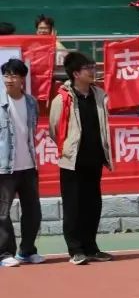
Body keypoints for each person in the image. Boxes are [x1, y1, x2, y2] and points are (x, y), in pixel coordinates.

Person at [49, 53, 114, 266]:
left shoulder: (99, 95)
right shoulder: (62, 99)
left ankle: (91, 247)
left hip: (94, 160)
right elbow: (54, 130)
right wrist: (69, 148)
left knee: (93, 205)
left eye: (93, 67)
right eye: (88, 68)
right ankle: (75, 249)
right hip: (72, 162)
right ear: (76, 73)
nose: (93, 71)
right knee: (73, 206)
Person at [0, 59, 43, 267]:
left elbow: (31, 131)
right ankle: (4, 253)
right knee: (2, 213)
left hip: (29, 167)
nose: (9, 79)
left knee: (33, 212)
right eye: (6, 75)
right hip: (4, 168)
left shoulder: (31, 103)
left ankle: (27, 251)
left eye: (14, 75)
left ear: (22, 79)